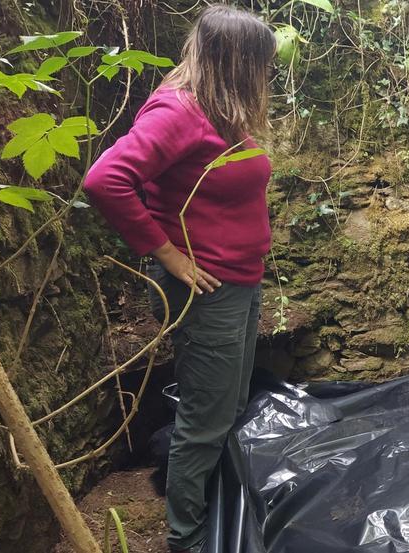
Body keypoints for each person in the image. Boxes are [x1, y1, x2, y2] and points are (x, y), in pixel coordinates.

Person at [82, 6, 276, 552]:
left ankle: (213, 506)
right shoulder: (178, 113)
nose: (265, 74)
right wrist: (167, 255)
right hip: (205, 288)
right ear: (234, 61)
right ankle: (186, 538)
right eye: (259, 63)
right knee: (205, 419)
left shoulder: (221, 112)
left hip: (240, 280)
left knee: (231, 404)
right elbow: (105, 180)